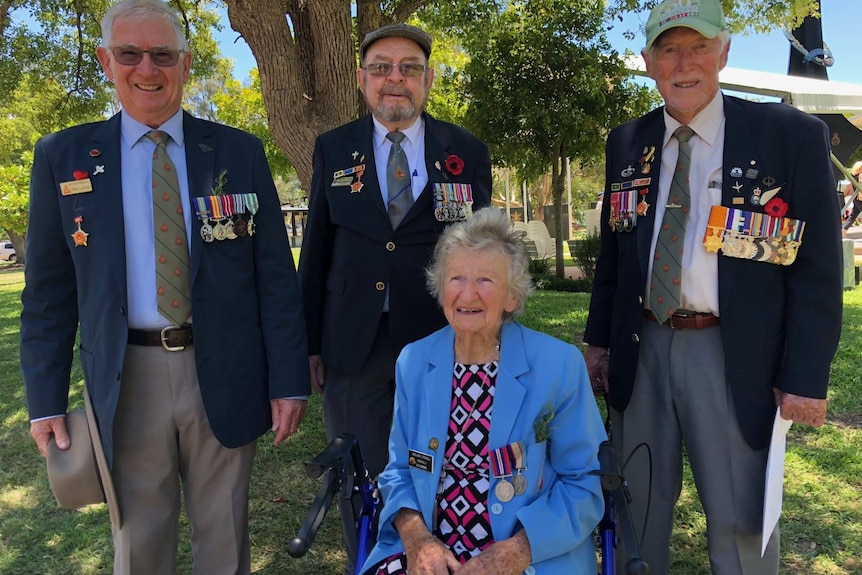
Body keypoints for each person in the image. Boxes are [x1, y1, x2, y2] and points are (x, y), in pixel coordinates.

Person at [19, 0, 310, 573]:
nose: (146, 68)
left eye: (162, 54)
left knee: (224, 539)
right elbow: (48, 295)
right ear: (106, 61)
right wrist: (45, 399)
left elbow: (275, 278)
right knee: (140, 543)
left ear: (186, 61)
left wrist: (289, 382)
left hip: (225, 368)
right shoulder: (65, 157)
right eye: (129, 53)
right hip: (128, 376)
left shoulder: (238, 153)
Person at [583, 0, 843, 573]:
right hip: (642, 348)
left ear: (724, 51)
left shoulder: (789, 136)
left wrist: (804, 377)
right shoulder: (627, 143)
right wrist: (598, 342)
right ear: (649, 62)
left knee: (741, 520)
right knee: (636, 507)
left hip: (731, 355)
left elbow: (818, 271)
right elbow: (615, 258)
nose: (684, 63)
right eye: (668, 49)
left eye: (697, 46)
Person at [298, 22, 492, 573]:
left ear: (427, 79)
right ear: (362, 79)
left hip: (441, 342)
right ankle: (371, 564)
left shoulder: (467, 150)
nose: (395, 79)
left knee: (443, 471)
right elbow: (316, 251)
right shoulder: (333, 148)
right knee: (359, 479)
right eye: (381, 68)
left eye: (408, 68)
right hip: (351, 345)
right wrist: (310, 343)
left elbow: (483, 256)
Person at [361, 208, 606, 575]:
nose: (468, 293)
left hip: (530, 556)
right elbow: (398, 471)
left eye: (486, 280)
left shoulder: (558, 365)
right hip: (431, 553)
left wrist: (513, 553)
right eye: (456, 278)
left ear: (512, 296)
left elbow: (584, 482)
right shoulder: (414, 362)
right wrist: (418, 541)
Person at [841, 161, 862, 236]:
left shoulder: (853, 176)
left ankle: (843, 230)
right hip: (860, 199)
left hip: (856, 199)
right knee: (853, 215)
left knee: (853, 215)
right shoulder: (860, 176)